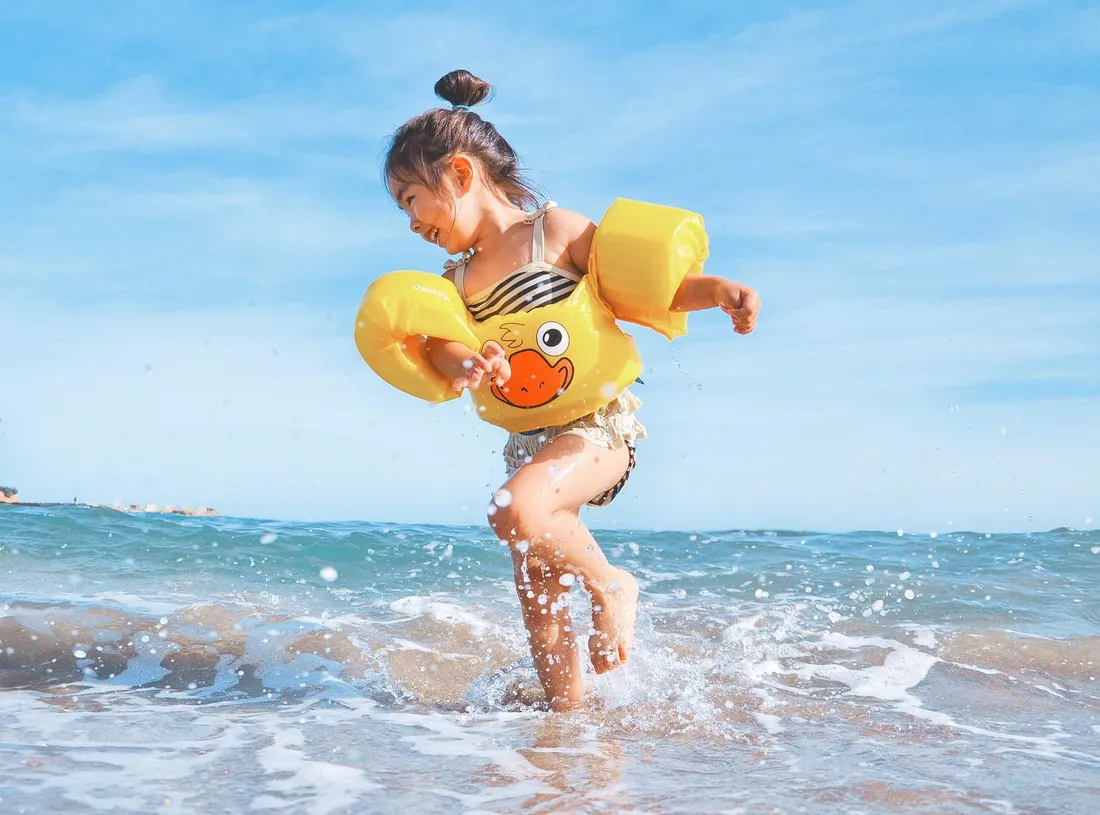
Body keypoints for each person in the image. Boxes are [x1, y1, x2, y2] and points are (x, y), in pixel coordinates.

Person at [382, 70, 760, 711]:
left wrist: (717, 290)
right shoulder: (456, 278)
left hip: (598, 428)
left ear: (461, 174)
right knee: (539, 598)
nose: (410, 222)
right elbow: (443, 345)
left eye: (410, 199)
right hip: (526, 444)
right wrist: (468, 362)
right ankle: (565, 731)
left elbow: (645, 288)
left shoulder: (553, 234)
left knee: (512, 512)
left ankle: (613, 587)